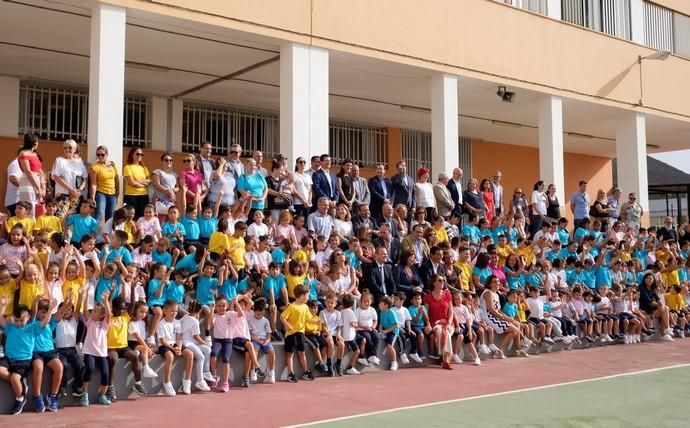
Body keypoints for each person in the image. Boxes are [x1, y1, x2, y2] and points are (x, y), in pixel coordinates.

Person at [280, 284, 314, 383]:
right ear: (302, 296)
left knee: (302, 353)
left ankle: (306, 372)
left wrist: (317, 321)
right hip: (291, 334)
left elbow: (309, 319)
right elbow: (282, 317)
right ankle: (291, 373)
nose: (308, 297)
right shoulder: (292, 306)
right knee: (290, 354)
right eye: (307, 295)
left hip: (301, 334)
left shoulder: (306, 307)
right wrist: (287, 325)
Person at [423, 274, 454, 370]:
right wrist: (428, 324)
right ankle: (447, 359)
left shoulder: (447, 295)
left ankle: (445, 359)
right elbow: (426, 313)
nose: (442, 282)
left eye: (443, 281)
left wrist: (449, 323)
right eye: (440, 280)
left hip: (447, 323)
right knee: (441, 331)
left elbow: (451, 312)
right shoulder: (428, 297)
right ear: (434, 283)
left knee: (446, 332)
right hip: (435, 324)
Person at [51, 139, 87, 210]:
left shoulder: (79, 162)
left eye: (70, 148)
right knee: (62, 218)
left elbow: (84, 178)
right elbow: (57, 177)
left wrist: (79, 190)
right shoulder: (59, 160)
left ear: (75, 149)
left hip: (76, 195)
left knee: (74, 219)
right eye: (65, 148)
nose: (67, 150)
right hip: (62, 195)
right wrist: (70, 189)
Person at [17, 133, 45, 218]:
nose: (38, 143)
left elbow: (40, 171)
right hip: (28, 183)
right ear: (33, 142)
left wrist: (43, 186)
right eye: (36, 141)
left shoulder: (35, 154)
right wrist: (38, 188)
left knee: (37, 207)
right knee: (29, 208)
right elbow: (28, 172)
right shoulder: (23, 153)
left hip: (37, 181)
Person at [89, 146, 119, 223]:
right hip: (101, 193)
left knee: (111, 217)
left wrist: (117, 194)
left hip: (112, 194)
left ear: (107, 154)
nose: (100, 157)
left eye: (102, 154)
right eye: (98, 155)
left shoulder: (113, 165)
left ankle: (108, 234)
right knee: (100, 214)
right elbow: (93, 184)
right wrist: (92, 198)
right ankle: (92, 233)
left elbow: (116, 179)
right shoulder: (95, 167)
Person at [122, 147, 151, 218]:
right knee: (130, 217)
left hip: (143, 196)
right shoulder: (127, 167)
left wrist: (137, 181)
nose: (139, 156)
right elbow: (131, 182)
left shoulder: (144, 168)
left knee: (142, 217)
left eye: (141, 154)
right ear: (132, 155)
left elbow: (149, 181)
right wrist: (143, 184)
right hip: (131, 196)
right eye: (137, 154)